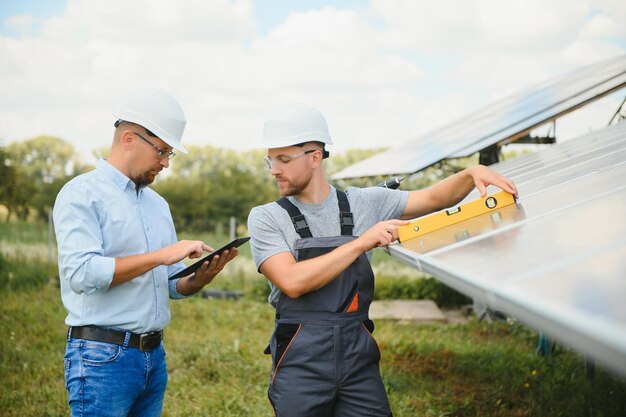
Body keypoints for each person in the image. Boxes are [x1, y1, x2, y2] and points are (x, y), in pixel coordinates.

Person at [247, 103, 518, 417]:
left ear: (315, 157)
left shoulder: (365, 202)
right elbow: (292, 282)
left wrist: (472, 174)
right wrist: (362, 242)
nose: (273, 169)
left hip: (356, 356)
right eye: (271, 159)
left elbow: (435, 198)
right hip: (300, 357)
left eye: (283, 159)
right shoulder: (267, 217)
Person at [53, 88, 239, 417]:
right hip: (101, 358)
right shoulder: (81, 194)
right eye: (162, 151)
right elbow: (82, 275)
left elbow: (171, 285)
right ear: (129, 138)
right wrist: (161, 255)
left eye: (170, 154)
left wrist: (199, 279)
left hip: (153, 357)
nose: (166, 163)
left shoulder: (158, 205)